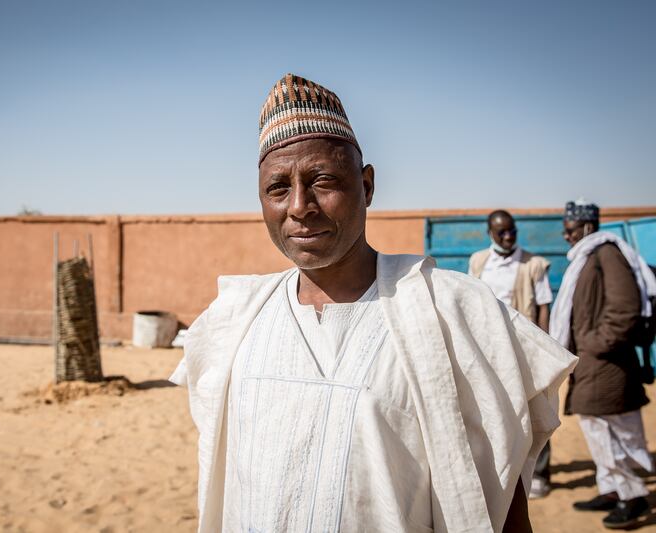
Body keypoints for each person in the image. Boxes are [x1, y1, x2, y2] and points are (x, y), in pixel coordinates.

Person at [171, 74, 577, 532]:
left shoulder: (453, 313)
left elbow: (501, 503)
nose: (300, 206)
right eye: (278, 188)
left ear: (366, 186)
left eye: (323, 180)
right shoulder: (233, 323)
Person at [551, 200, 656, 529]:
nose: (566, 236)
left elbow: (625, 308)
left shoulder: (607, 254)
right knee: (598, 430)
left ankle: (632, 497)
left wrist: (594, 345)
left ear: (586, 226)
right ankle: (611, 490)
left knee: (615, 433)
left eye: (570, 230)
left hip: (607, 364)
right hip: (593, 363)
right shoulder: (588, 256)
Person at [469, 210, 555, 499]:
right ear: (490, 233)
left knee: (535, 408)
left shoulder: (533, 264)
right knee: (494, 408)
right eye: (501, 232)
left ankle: (540, 472)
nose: (508, 237)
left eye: (512, 231)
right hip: (489, 350)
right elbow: (470, 301)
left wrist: (543, 347)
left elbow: (543, 306)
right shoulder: (479, 261)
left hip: (524, 348)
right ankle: (503, 471)